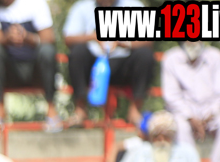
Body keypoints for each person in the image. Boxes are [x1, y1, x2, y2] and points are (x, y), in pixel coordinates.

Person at [62, 0, 154, 129]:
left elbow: (149, 41)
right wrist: (94, 37)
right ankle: (80, 110)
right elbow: (68, 38)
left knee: (145, 54)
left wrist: (124, 42)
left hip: (124, 65)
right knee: (77, 52)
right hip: (93, 65)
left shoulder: (134, 6)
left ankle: (135, 111)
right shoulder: (82, 7)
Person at [0, 0, 62, 130]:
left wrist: (28, 38)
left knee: (47, 51)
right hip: (10, 72)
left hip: (36, 70)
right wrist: (7, 37)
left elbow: (49, 37)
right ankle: (0, 114)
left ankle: (52, 113)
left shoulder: (36, 3)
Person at [161, 42, 220, 162]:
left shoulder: (215, 56)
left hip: (212, 112)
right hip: (183, 113)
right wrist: (190, 117)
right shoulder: (171, 58)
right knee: (180, 127)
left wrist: (210, 114)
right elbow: (171, 97)